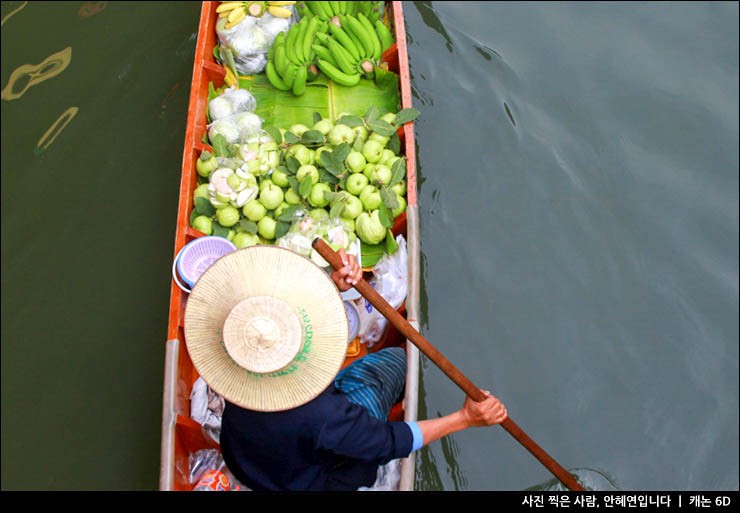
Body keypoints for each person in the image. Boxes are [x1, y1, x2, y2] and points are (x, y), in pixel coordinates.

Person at [218, 248, 508, 491]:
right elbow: (389, 441)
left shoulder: (232, 355)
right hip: (303, 481)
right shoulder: (323, 416)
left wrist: (335, 288)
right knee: (393, 365)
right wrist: (465, 418)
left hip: (243, 459)